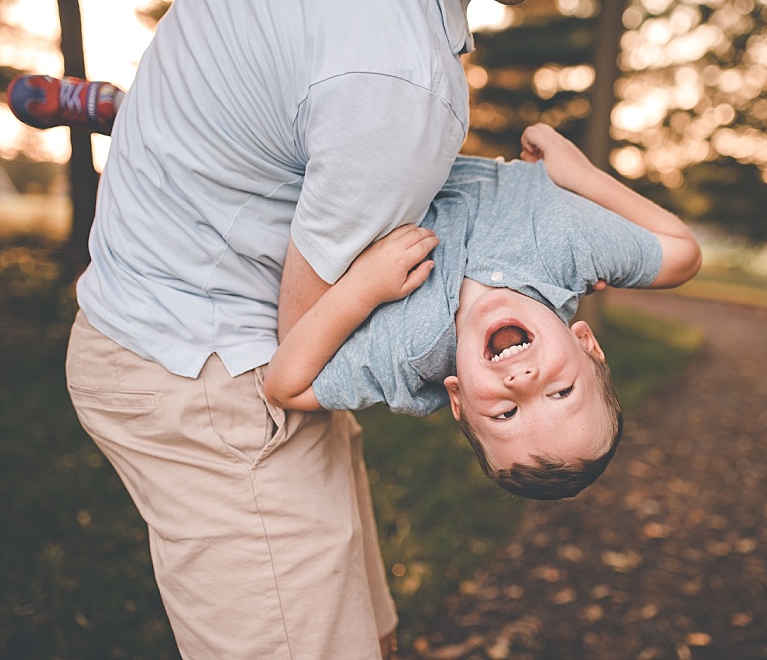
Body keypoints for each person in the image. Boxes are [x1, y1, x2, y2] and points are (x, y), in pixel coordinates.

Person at [59, 0, 557, 656]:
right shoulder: (402, 82)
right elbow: (306, 345)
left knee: (368, 637)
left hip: (196, 333)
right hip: (219, 381)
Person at [261, 123, 702, 500]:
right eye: (562, 392)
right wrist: (582, 175)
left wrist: (360, 292)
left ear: (458, 399)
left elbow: (284, 388)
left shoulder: (409, 351)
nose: (523, 383)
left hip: (342, 154)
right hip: (423, 129)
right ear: (586, 345)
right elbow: (683, 255)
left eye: (505, 414)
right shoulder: (569, 247)